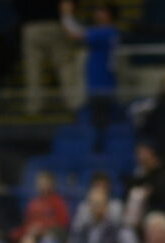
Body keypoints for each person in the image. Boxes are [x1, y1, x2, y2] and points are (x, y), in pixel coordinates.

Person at [60, 0, 119, 150]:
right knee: (97, 123)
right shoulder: (108, 32)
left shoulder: (105, 32)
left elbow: (73, 34)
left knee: (99, 126)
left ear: (109, 15)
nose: (97, 14)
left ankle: (99, 151)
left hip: (101, 86)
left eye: (102, 11)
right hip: (101, 85)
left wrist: (66, 14)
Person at [18, 0, 81, 114]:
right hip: (54, 23)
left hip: (31, 26)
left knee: (33, 69)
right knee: (64, 65)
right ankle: (72, 102)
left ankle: (34, 106)